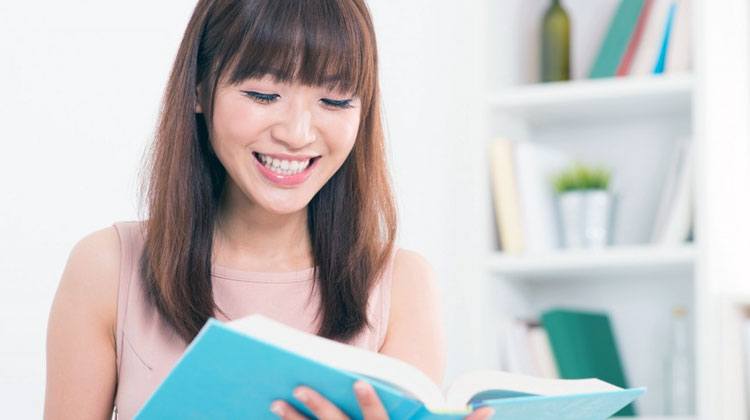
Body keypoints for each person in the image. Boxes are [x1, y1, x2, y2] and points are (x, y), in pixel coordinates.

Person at [44, 1, 494, 419]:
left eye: (335, 101)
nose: (297, 134)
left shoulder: (401, 285)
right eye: (263, 94)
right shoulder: (108, 267)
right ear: (199, 89)